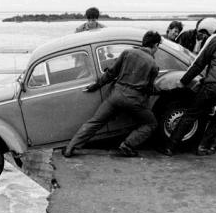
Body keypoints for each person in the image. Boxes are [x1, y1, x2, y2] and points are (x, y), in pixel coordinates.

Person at [63, 30, 161, 158]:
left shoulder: (127, 53)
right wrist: (160, 89)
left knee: (95, 122)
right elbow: (148, 89)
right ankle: (127, 145)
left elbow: (111, 74)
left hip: (115, 97)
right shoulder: (153, 65)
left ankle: (70, 148)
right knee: (151, 123)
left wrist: (95, 86)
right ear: (156, 45)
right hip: (134, 101)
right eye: (158, 48)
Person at [161, 14, 216, 156]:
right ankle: (203, 147)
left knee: (191, 114)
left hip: (213, 84)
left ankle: (170, 147)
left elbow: (199, 62)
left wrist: (184, 81)